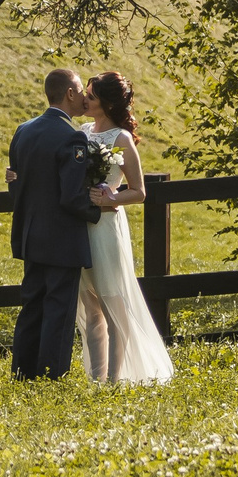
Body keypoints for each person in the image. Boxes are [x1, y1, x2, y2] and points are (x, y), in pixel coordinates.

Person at [6, 67, 111, 379]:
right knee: (58, 309)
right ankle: (51, 374)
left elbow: (16, 183)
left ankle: (22, 371)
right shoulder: (71, 137)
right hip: (62, 238)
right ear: (69, 93)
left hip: (30, 234)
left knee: (32, 306)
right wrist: (97, 210)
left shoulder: (23, 130)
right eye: (80, 91)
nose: (82, 97)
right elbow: (70, 195)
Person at [74, 70, 174, 385]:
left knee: (113, 302)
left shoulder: (121, 139)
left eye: (90, 96)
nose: (84, 100)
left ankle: (116, 380)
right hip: (80, 227)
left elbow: (140, 192)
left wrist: (110, 198)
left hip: (105, 228)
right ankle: (97, 378)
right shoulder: (82, 131)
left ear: (107, 103)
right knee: (91, 308)